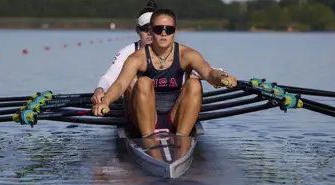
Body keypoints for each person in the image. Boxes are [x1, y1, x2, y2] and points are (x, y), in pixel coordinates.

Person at [92, 8, 238, 140]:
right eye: (158, 29)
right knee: (143, 82)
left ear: (174, 31)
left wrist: (222, 77)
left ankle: (182, 139)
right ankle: (148, 140)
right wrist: (106, 101)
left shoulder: (187, 54)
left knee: (194, 83)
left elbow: (209, 73)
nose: (163, 33)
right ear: (151, 30)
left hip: (175, 117)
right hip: (146, 119)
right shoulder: (137, 57)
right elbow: (120, 84)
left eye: (168, 29)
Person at [90, 0, 157, 106]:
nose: (150, 33)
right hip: (136, 105)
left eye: (154, 29)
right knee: (132, 82)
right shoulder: (127, 52)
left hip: (165, 103)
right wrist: (100, 90)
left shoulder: (174, 51)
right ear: (137, 30)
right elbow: (110, 77)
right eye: (145, 29)